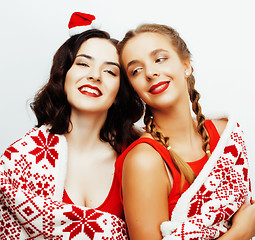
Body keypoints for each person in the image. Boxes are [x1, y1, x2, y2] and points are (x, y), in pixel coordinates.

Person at [0, 12, 142, 239]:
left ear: (119, 92)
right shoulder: (20, 158)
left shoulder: (139, 155)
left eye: (109, 71)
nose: (94, 76)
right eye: (83, 63)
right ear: (64, 74)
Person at [116, 23, 254, 240]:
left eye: (159, 59)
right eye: (136, 70)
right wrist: (240, 234)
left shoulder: (227, 134)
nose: (151, 72)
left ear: (186, 65)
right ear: (133, 88)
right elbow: (245, 224)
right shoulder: (144, 161)